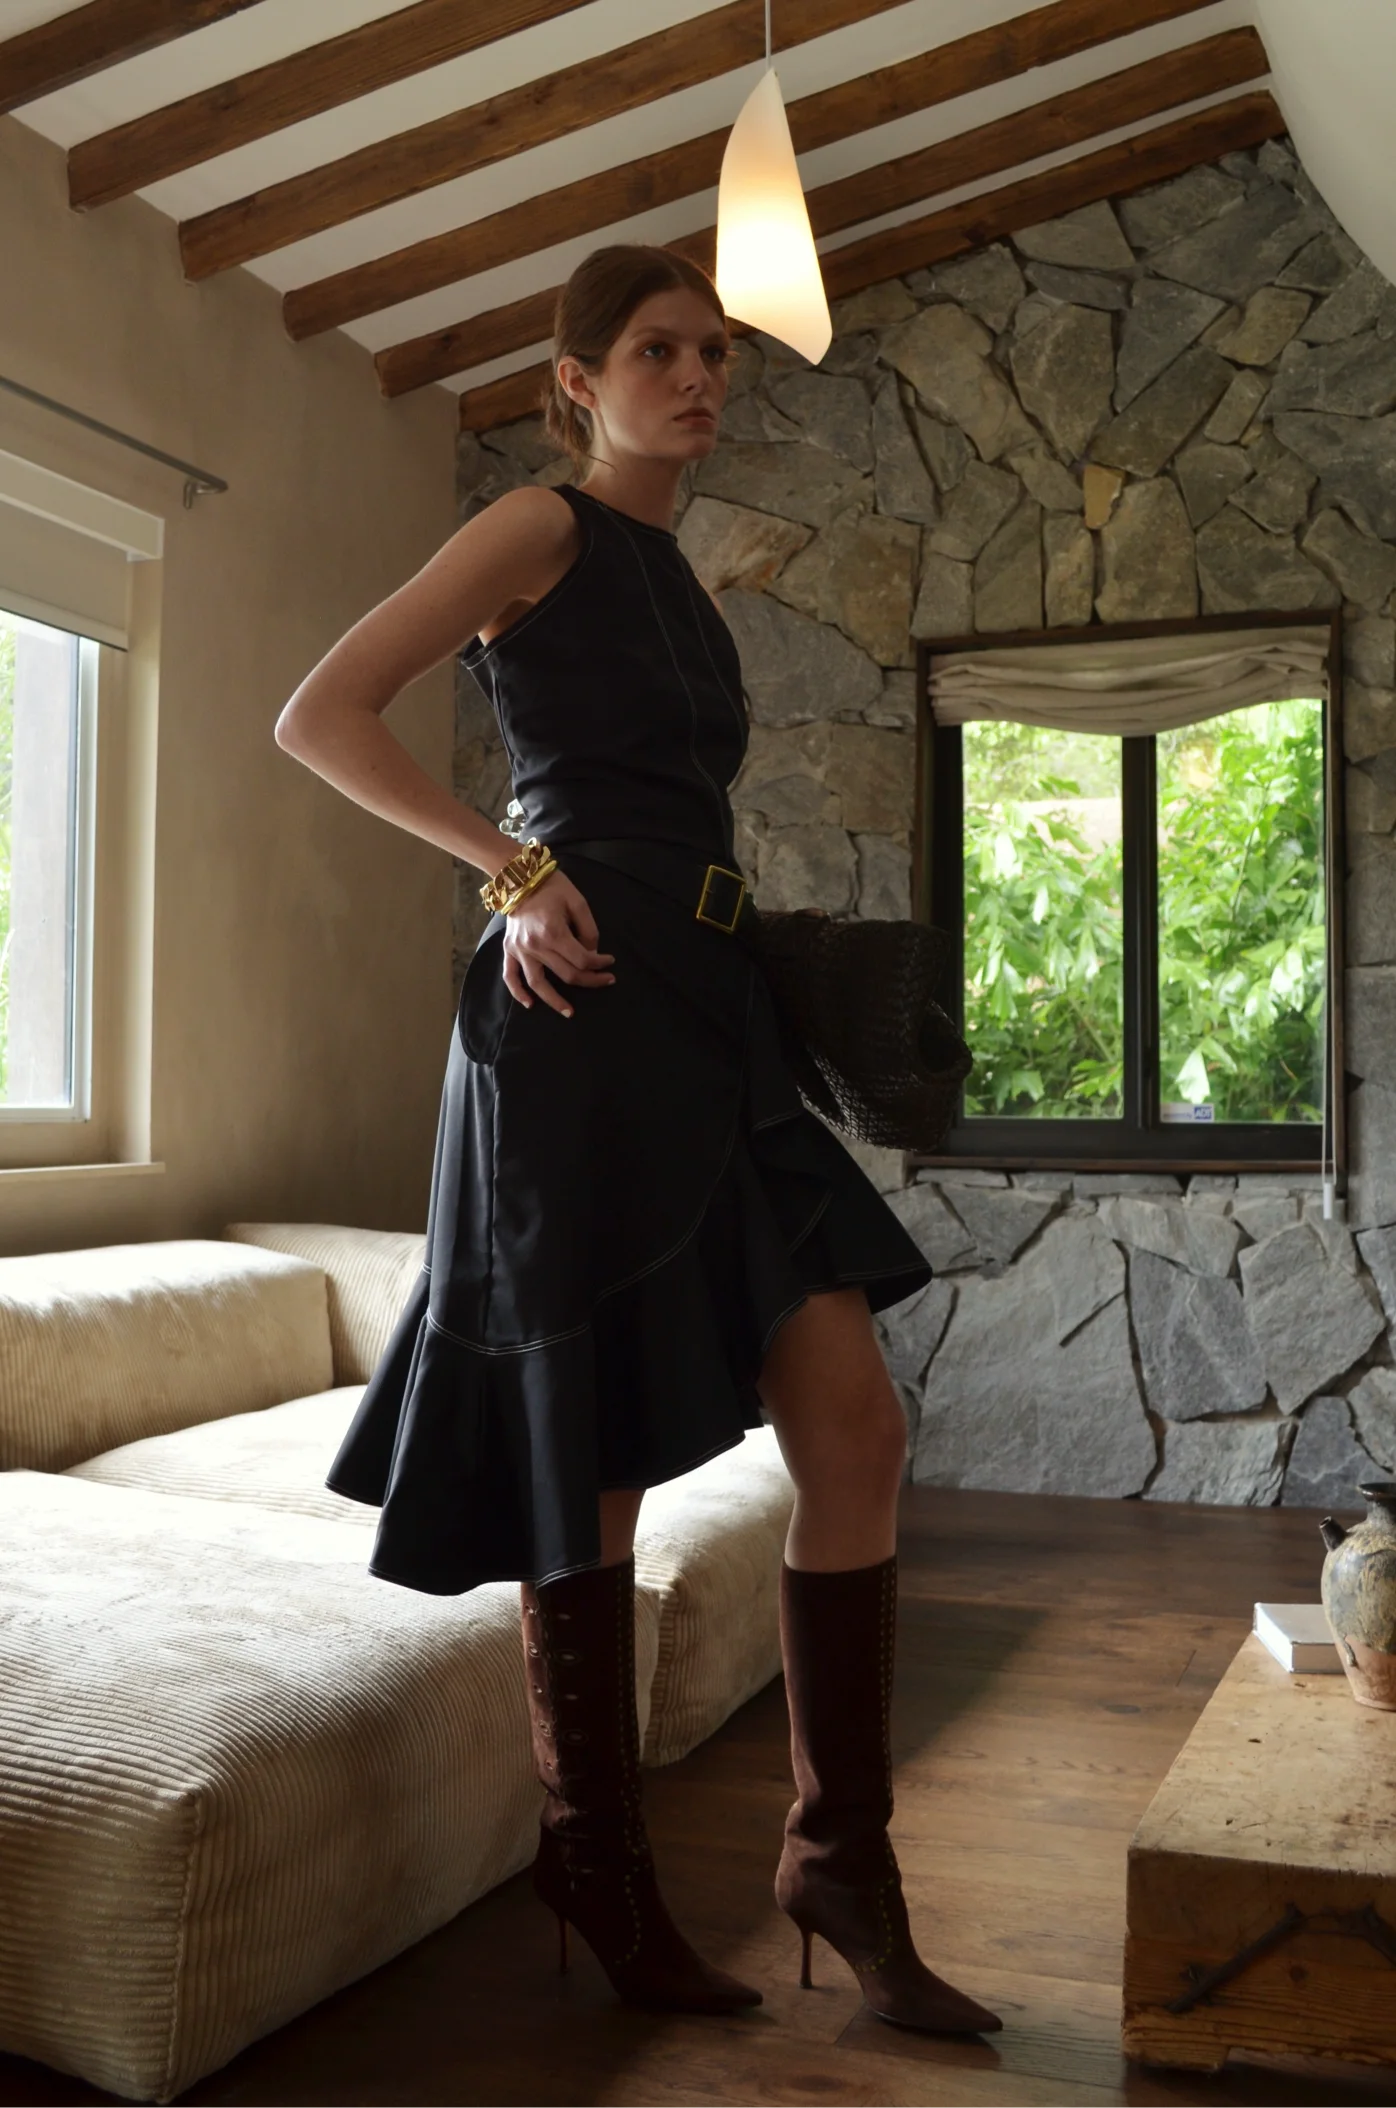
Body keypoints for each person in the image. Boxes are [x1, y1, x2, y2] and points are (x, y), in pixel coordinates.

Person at [274, 242, 1000, 2037]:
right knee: (588, 1449)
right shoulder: (542, 528)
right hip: (577, 1028)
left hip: (713, 1022)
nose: (698, 378)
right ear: (578, 381)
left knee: (857, 1424)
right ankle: (594, 1860)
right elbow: (320, 714)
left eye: (715, 354)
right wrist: (508, 871)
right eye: (659, 351)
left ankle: (841, 1862)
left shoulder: (682, 575)